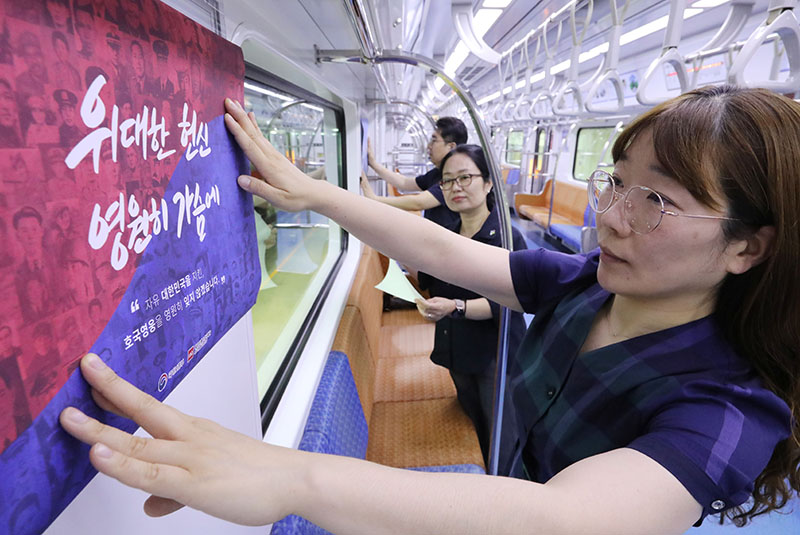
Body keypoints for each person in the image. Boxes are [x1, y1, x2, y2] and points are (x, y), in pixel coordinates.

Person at [60, 87, 799, 533]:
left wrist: (288, 475)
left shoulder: (731, 406)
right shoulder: (588, 284)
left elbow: (563, 520)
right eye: (617, 182)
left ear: (747, 247)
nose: (610, 216)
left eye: (657, 201)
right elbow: (440, 248)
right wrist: (313, 193)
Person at [410, 144, 527, 463]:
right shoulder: (445, 235)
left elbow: (511, 301)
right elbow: (435, 284)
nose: (455, 187)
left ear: (488, 183)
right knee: (471, 419)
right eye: (447, 181)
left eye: (465, 177)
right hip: (456, 347)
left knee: (499, 433)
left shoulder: (506, 238)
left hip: (493, 355)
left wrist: (456, 307)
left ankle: (504, 494)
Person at [365, 116, 466, 227]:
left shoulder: (454, 179)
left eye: (434, 140)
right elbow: (404, 183)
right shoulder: (437, 172)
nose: (429, 146)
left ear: (451, 147)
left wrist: (375, 199)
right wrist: (374, 164)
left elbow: (418, 202)